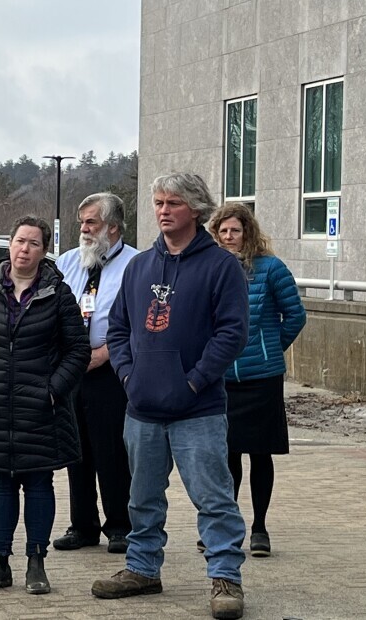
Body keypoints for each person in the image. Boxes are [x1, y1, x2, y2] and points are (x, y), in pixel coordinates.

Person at [91, 172, 249, 620]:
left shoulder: (222, 266)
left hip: (198, 409)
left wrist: (196, 380)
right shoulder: (140, 267)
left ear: (196, 210)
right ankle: (142, 568)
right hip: (142, 409)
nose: (162, 210)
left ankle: (225, 578)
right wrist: (127, 375)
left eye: (173, 203)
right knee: (141, 497)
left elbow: (232, 333)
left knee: (213, 497)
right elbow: (118, 329)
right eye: (158, 202)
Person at [0, 216, 89, 595]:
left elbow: (78, 350)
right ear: (9, 244)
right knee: (1, 483)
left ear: (43, 250)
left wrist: (53, 390)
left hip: (42, 408)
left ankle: (36, 561)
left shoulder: (58, 293)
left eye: (33, 244)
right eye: (19, 241)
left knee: (39, 483)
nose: (24, 249)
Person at [208, 203, 306, 558]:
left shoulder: (271, 268)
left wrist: (269, 349)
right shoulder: (210, 269)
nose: (230, 237)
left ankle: (260, 527)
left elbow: (295, 314)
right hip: (222, 378)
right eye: (223, 231)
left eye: (236, 230)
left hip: (261, 378)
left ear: (248, 233)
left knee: (260, 454)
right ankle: (224, 527)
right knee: (226, 455)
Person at [52, 192, 138, 555]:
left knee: (112, 451)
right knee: (77, 450)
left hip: (111, 369)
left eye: (92, 223)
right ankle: (82, 525)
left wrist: (106, 352)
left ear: (114, 228)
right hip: (72, 370)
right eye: (82, 222)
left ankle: (120, 525)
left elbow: (143, 323)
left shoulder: (137, 264)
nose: (84, 230)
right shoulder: (69, 261)